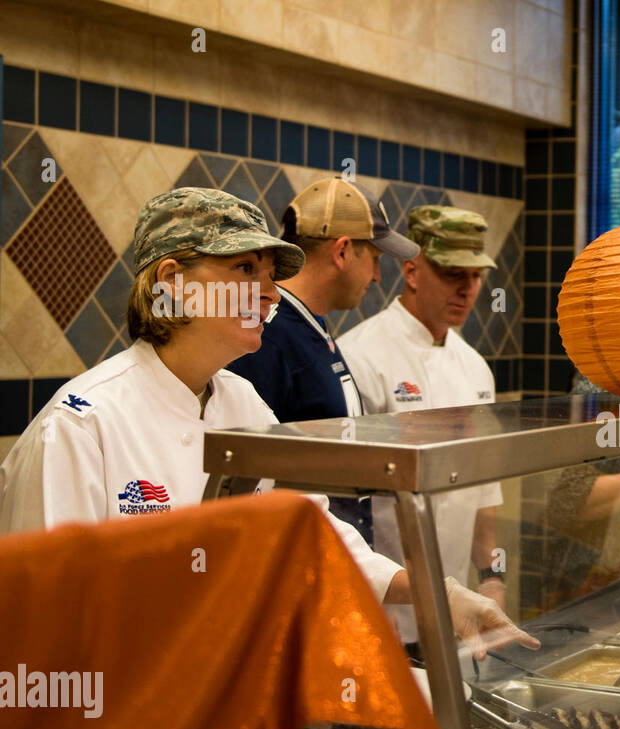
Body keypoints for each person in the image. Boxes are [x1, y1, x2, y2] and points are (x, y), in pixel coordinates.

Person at [0, 187, 537, 660]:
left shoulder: (241, 402)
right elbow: (46, 626)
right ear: (171, 281)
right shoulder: (80, 426)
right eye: (244, 270)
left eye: (270, 274)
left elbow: (311, 531)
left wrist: (434, 590)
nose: (271, 294)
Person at [337, 206, 507, 639]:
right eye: (453, 274)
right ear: (412, 272)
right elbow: (343, 502)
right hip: (382, 607)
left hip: (457, 607)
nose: (467, 289)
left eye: (475, 276)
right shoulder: (359, 357)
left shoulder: (475, 367)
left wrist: (492, 577)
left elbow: (483, 484)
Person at [226, 177, 418, 543]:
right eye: (375, 259)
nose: (378, 277)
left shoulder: (310, 325)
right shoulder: (268, 337)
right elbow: (243, 478)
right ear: (342, 251)